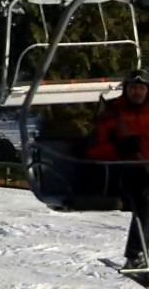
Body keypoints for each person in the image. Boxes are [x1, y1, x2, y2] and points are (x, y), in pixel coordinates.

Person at [88, 69, 149, 269]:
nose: (137, 93)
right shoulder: (113, 112)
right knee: (146, 198)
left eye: (141, 88)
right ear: (126, 89)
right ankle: (136, 254)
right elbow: (96, 148)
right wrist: (119, 148)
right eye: (133, 88)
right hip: (123, 170)